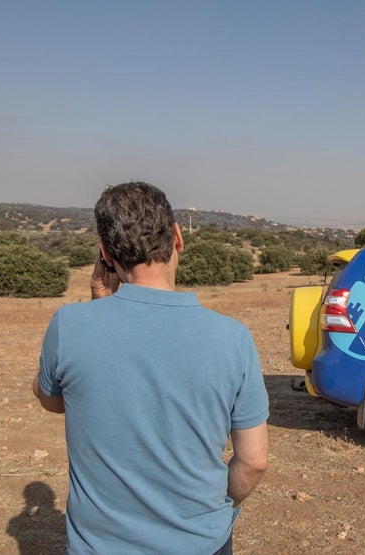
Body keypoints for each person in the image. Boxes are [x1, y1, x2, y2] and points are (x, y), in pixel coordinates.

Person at [34, 181, 270, 554]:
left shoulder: (69, 324)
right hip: (201, 542)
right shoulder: (233, 338)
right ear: (177, 237)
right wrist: (220, 507)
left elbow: (54, 400)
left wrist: (99, 305)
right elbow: (254, 461)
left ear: (105, 253)